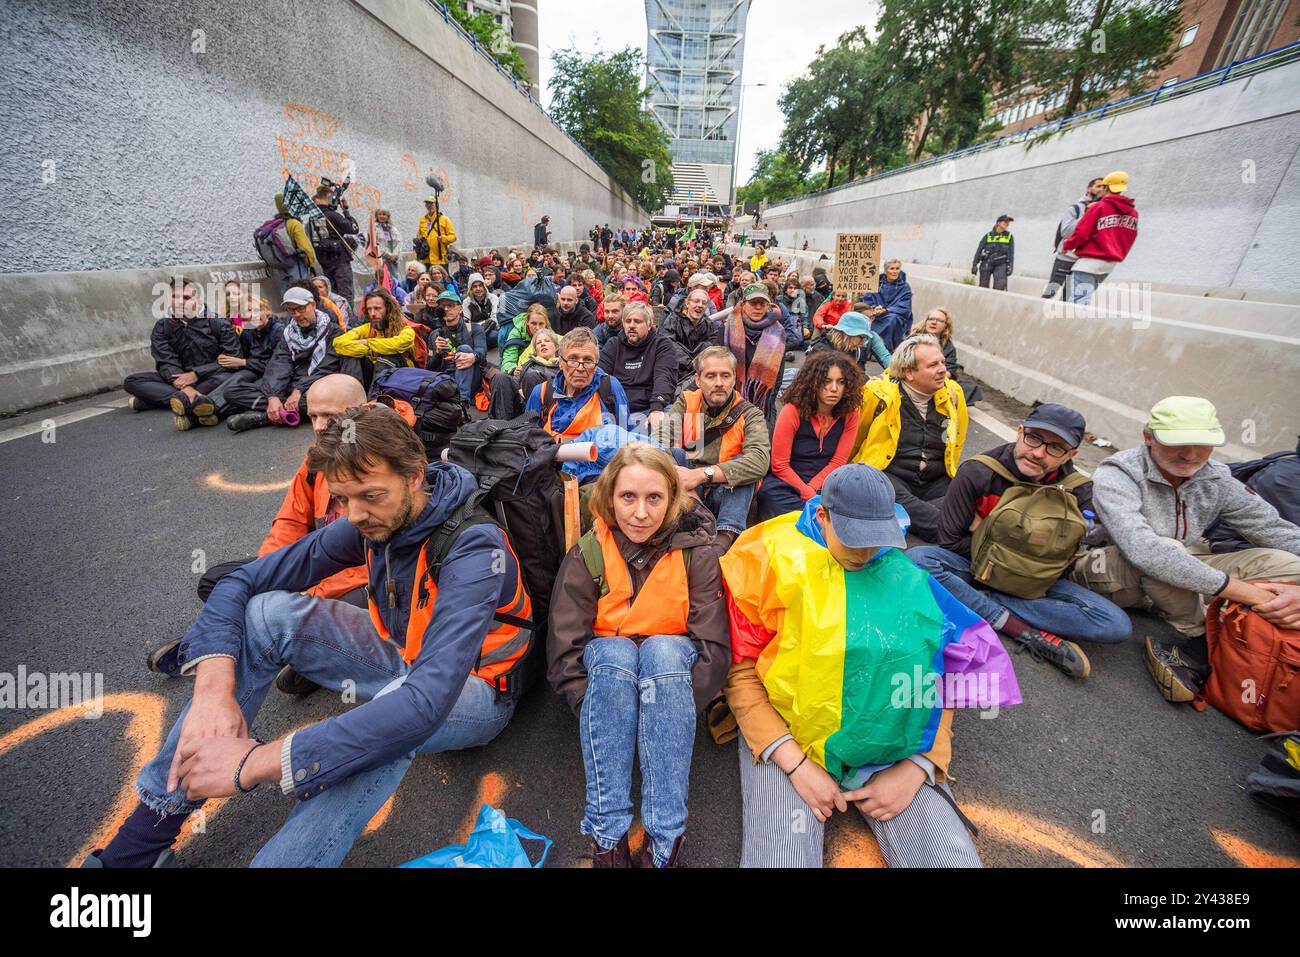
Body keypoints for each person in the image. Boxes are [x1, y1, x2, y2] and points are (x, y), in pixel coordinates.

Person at [85, 404, 532, 869]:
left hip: (479, 690)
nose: (355, 514)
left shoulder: (477, 548)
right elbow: (240, 581)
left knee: (385, 730)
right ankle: (138, 848)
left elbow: (423, 703)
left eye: (370, 496)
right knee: (265, 613)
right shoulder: (371, 518)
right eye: (343, 498)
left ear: (416, 476)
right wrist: (212, 691)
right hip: (405, 656)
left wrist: (256, 763)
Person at [721, 464, 983, 868]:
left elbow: (941, 672)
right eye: (854, 538)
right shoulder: (765, 556)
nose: (865, 552)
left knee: (950, 861)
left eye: (876, 539)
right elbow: (740, 671)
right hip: (790, 733)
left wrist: (919, 766)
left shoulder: (907, 576)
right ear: (822, 516)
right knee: (780, 860)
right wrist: (793, 761)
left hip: (890, 745)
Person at [150, 374, 413, 697]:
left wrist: (307, 592)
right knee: (220, 581)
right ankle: (279, 647)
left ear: (361, 412)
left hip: (366, 577)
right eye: (313, 415)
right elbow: (289, 522)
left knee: (366, 604)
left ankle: (307, 653)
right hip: (318, 564)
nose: (318, 426)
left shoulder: (386, 455)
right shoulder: (318, 457)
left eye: (330, 416)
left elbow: (380, 558)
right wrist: (270, 574)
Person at [547, 444, 729, 867]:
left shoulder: (698, 554)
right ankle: (607, 836)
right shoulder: (589, 552)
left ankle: (664, 838)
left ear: (672, 501)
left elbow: (713, 650)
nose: (641, 513)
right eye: (628, 497)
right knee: (613, 650)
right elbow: (564, 648)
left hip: (670, 679)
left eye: (654, 499)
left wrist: (670, 707)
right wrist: (597, 706)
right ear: (610, 498)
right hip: (610, 679)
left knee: (664, 650)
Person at [1069, 396, 1300, 702]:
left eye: (1202, 444)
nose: (1191, 454)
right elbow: (1145, 551)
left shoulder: (1215, 477)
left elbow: (1274, 529)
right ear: (1148, 437)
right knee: (1164, 552)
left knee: (1286, 563)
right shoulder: (1119, 471)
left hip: (1179, 569)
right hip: (1110, 571)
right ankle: (1204, 642)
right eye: (1178, 443)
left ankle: (1226, 632)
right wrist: (1251, 595)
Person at [910, 404, 1132, 680]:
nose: (1038, 452)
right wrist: (1017, 554)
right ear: (1019, 432)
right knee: (919, 561)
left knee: (1115, 624)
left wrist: (988, 535)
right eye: (1034, 438)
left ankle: (981, 602)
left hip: (1035, 581)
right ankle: (1019, 628)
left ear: (1071, 455)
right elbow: (950, 541)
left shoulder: (1079, 492)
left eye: (1055, 448)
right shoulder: (979, 472)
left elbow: (1068, 561)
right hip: (977, 568)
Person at [851, 334, 968, 543]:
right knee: (883, 489)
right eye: (933, 365)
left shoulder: (954, 394)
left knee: (968, 490)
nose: (943, 369)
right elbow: (855, 438)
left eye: (942, 362)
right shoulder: (877, 394)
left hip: (935, 480)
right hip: (893, 478)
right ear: (909, 372)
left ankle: (915, 519)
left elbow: (958, 438)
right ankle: (947, 527)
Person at [651, 346, 771, 546]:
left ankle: (724, 540)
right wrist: (680, 476)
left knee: (744, 464)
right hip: (688, 490)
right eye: (711, 376)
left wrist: (701, 475)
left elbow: (760, 460)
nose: (719, 383)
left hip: (724, 493)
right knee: (671, 452)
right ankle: (689, 521)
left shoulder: (751, 414)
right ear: (698, 380)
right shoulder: (687, 400)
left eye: (725, 376)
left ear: (734, 379)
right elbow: (659, 440)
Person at [124, 278, 242, 430]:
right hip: (178, 379)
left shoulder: (218, 322)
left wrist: (196, 374)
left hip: (211, 377)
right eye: (175, 297)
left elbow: (233, 357)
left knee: (234, 378)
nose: (180, 302)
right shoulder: (162, 326)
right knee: (132, 381)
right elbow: (165, 360)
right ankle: (194, 398)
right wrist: (184, 386)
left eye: (186, 297)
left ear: (197, 299)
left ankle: (151, 401)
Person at [758, 351, 863, 521]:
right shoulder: (792, 411)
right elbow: (780, 465)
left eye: (841, 382)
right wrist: (809, 494)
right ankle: (824, 523)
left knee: (857, 497)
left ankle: (816, 521)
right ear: (813, 383)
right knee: (770, 497)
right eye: (827, 381)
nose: (834, 388)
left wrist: (813, 489)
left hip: (827, 481)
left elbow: (838, 462)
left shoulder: (851, 414)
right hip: (787, 481)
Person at [222, 286, 343, 432]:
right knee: (231, 391)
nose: (297, 314)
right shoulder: (288, 332)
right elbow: (279, 363)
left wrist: (299, 390)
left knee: (315, 401)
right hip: (290, 386)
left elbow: (327, 367)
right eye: (292, 310)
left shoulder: (333, 331)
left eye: (301, 308)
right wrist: (273, 397)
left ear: (313, 305)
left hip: (314, 386)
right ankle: (281, 410)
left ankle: (265, 417)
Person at [525, 327, 629, 441]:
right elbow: (529, 438)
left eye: (588, 360)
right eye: (573, 359)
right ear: (561, 363)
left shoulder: (610, 387)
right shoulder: (541, 393)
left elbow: (625, 437)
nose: (580, 368)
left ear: (596, 365)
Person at [1061, 171, 1139, 306]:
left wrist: (1067, 245)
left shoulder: (1099, 207)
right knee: (1082, 299)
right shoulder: (1133, 213)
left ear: (1106, 188)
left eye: (1102, 186)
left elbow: (1082, 233)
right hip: (1109, 263)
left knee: (1077, 302)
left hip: (1089, 263)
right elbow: (1130, 237)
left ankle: (1075, 326)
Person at [718, 283, 790, 427]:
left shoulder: (777, 332)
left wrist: (762, 404)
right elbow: (718, 366)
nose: (758, 307)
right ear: (743, 304)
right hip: (729, 398)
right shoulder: (728, 328)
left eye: (762, 303)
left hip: (762, 403)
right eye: (753, 303)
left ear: (768, 306)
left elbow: (777, 377)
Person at [597, 301, 678, 428]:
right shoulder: (614, 344)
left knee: (667, 417)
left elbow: (664, 377)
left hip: (647, 409)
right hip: (615, 411)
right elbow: (600, 376)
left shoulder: (662, 345)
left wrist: (657, 408)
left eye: (638, 321)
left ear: (649, 324)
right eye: (628, 321)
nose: (632, 326)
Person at [208, 296, 283, 424]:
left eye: (255, 310)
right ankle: (205, 407)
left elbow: (277, 365)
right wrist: (227, 357)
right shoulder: (248, 331)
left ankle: (209, 411)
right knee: (238, 377)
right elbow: (241, 354)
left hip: (272, 373)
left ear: (265, 310)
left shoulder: (278, 331)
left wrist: (243, 362)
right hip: (253, 369)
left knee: (242, 388)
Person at [333, 288, 421, 391]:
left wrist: (367, 342)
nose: (372, 313)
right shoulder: (367, 328)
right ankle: (354, 395)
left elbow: (399, 344)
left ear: (388, 309)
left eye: (377, 308)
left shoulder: (406, 329)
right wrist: (369, 351)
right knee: (350, 356)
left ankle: (375, 401)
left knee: (386, 358)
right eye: (369, 309)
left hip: (402, 377)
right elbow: (338, 343)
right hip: (373, 374)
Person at [1042, 178, 1104, 300]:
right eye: (1098, 186)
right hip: (1065, 258)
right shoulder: (1075, 209)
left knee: (1068, 296)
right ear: (1089, 188)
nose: (1100, 189)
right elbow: (1065, 232)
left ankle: (1059, 318)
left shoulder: (1102, 209)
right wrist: (1088, 214)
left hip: (1082, 261)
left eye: (1103, 187)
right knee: (1051, 291)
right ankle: (1039, 313)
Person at [425, 290, 487, 405]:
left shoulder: (474, 329)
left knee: (464, 349)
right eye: (443, 306)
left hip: (471, 378)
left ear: (460, 309)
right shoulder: (435, 335)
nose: (446, 309)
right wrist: (438, 353)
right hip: (447, 379)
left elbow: (482, 351)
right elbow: (429, 367)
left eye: (451, 305)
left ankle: (462, 402)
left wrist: (473, 356)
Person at [911, 306, 980, 403]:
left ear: (945, 326)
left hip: (937, 379)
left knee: (969, 387)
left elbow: (950, 370)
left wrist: (935, 378)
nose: (934, 322)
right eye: (931, 319)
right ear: (926, 322)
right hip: (914, 377)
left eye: (939, 320)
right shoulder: (912, 339)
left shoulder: (948, 346)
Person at [308, 186, 359, 303]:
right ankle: (348, 319)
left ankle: (337, 318)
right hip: (339, 259)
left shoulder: (312, 218)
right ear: (328, 196)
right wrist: (346, 210)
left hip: (324, 260)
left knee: (332, 295)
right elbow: (354, 229)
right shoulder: (332, 215)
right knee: (346, 295)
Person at [659, 286, 721, 380]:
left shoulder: (708, 324)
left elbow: (714, 346)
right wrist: (690, 363)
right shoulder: (674, 319)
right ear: (687, 304)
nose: (700, 305)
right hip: (676, 370)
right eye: (696, 301)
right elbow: (667, 342)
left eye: (704, 303)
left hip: (701, 371)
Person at [859, 259, 913, 353]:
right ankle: (869, 346)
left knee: (891, 319)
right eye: (892, 268)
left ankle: (885, 349)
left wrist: (887, 310)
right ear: (885, 270)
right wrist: (874, 308)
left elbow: (904, 307)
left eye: (897, 268)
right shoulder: (876, 283)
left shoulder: (905, 287)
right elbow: (869, 298)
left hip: (895, 315)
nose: (895, 271)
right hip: (875, 313)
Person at [808, 310, 890, 371]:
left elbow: (860, 374)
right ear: (848, 334)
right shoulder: (820, 350)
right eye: (861, 337)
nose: (862, 342)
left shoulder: (855, 349)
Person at [515, 328, 562, 404]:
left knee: (531, 376)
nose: (542, 344)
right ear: (535, 350)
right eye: (538, 343)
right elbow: (514, 385)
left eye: (547, 341)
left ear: (556, 347)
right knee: (501, 378)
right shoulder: (527, 365)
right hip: (523, 404)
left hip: (552, 404)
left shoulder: (563, 365)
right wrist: (515, 374)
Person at [971, 216, 1015, 292]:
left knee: (1000, 286)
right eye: (1005, 222)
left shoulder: (1009, 236)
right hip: (987, 262)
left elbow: (1011, 253)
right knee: (983, 287)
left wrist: (1010, 266)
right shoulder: (987, 236)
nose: (1007, 224)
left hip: (1001, 264)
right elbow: (979, 251)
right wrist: (974, 265)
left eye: (1008, 223)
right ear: (998, 223)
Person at [416, 195, 457, 275]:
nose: (429, 205)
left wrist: (443, 238)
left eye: (431, 203)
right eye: (427, 203)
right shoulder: (423, 219)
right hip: (426, 258)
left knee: (442, 282)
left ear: (436, 205)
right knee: (428, 282)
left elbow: (453, 237)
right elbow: (419, 235)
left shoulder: (444, 219)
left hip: (440, 259)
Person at [373, 208, 402, 282]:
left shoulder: (392, 228)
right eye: (380, 214)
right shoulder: (373, 228)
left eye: (384, 214)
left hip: (393, 260)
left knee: (393, 279)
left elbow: (398, 242)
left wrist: (395, 254)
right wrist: (389, 255)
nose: (382, 216)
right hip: (381, 259)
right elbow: (375, 244)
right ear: (376, 216)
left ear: (388, 217)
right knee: (381, 279)